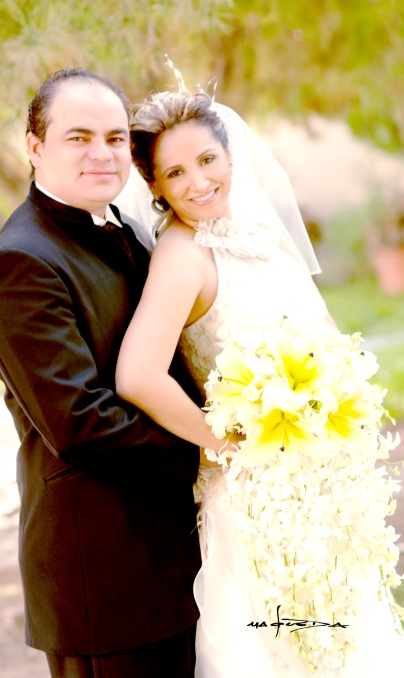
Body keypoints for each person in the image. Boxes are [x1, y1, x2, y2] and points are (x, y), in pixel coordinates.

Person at [115, 89, 404, 676]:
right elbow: (137, 374)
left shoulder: (261, 238)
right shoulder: (182, 257)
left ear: (229, 155)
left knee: (348, 640)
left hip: (323, 488)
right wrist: (222, 443)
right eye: (175, 172)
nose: (198, 181)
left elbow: (326, 338)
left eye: (206, 160)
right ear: (155, 188)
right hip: (257, 503)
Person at [0, 68, 204, 678]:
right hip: (104, 579)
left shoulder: (120, 228)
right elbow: (81, 423)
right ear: (34, 147)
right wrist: (211, 456)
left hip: (166, 560)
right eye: (78, 138)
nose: (102, 154)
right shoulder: (21, 262)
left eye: (113, 138)